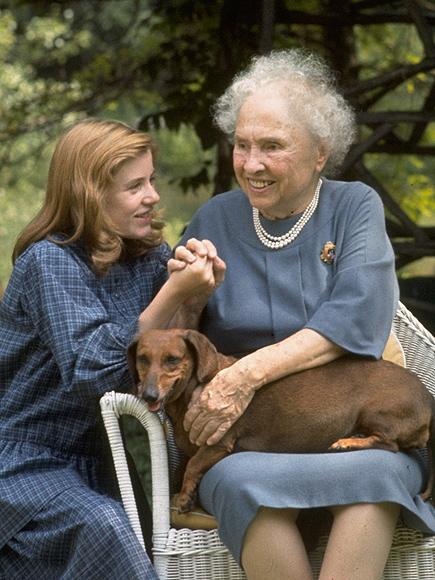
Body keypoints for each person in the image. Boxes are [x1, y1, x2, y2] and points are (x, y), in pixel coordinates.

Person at [174, 49, 435, 580]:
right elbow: (170, 341)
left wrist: (245, 374)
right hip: (246, 440)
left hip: (353, 426)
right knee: (241, 483)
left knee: (377, 478)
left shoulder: (354, 205)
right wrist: (189, 294)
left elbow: (359, 317)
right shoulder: (214, 217)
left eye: (272, 146)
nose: (251, 163)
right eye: (242, 145)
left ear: (320, 154)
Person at [0, 118, 224, 579]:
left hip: (101, 459)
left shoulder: (145, 253)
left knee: (133, 535)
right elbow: (95, 372)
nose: (153, 196)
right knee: (104, 528)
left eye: (152, 180)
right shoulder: (50, 261)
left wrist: (194, 296)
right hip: (24, 461)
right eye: (134, 186)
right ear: (90, 194)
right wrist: (172, 293)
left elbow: (169, 353)